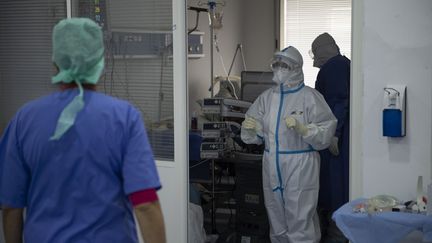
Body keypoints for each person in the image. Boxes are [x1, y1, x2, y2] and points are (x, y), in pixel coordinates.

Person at [0, 18, 166, 243]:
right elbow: (145, 203)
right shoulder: (125, 118)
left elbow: (11, 207)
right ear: (100, 62)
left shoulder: (24, 120)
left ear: (56, 63)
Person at [241, 46, 337, 243]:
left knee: (300, 219)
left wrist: (304, 130)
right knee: (276, 220)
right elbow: (252, 134)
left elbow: (326, 130)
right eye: (276, 65)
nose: (279, 69)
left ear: (296, 69)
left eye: (284, 65)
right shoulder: (266, 99)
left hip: (300, 164)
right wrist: (253, 129)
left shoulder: (310, 97)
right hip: (271, 164)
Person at [311, 32, 350, 243]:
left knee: (335, 190)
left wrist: (334, 134)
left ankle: (335, 237)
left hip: (336, 141)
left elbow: (339, 101)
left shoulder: (334, 67)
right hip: (337, 138)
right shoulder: (343, 64)